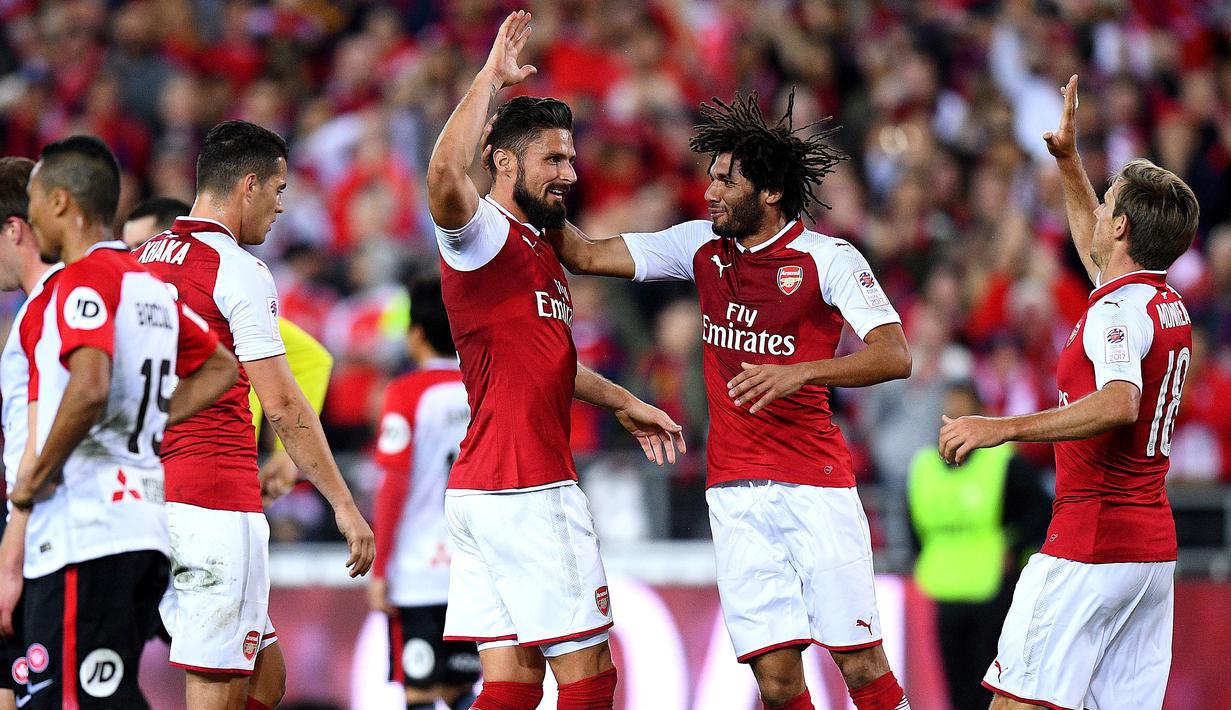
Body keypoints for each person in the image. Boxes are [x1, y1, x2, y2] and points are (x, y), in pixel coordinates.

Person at [547, 91, 914, 710]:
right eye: (711, 178)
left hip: (816, 486)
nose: (710, 192)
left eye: (725, 181)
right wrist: (539, 193)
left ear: (770, 192)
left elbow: (895, 354)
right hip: (734, 492)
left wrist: (802, 373)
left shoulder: (828, 260)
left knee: (859, 663)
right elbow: (585, 253)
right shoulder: (699, 246)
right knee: (776, 680)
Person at [426, 11, 685, 710]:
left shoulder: (541, 246)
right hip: (529, 485)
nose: (569, 174)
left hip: (483, 490)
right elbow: (444, 172)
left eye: (570, 159)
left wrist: (623, 400)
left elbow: (546, 360)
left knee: (511, 686)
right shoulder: (482, 234)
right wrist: (490, 77)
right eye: (553, 160)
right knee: (590, 678)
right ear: (505, 163)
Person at [939, 75, 1200, 710]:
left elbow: (1119, 402)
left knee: (1016, 703)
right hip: (1148, 555)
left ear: (1123, 226)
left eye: (1108, 203)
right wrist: (1069, 162)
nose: (1099, 210)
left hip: (1090, 541)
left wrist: (1002, 427)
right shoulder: (1161, 304)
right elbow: (1096, 250)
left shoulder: (1115, 314)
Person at [132, 121, 375, 710]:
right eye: (278, 189)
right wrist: (344, 504)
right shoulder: (236, 268)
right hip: (213, 497)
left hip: (148, 496)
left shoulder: (140, 260)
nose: (281, 206)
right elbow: (285, 405)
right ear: (249, 185)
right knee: (217, 687)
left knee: (266, 677)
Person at [8, 135, 237, 709]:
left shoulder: (78, 282)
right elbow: (219, 368)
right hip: (144, 525)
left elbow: (89, 386)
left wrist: (33, 480)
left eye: (33, 202)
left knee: (75, 700)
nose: (30, 219)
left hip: (85, 528)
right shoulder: (147, 285)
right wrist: (149, 419)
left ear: (60, 202)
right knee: (102, 691)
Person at [121, 196, 335, 506]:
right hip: (153, 471)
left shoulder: (225, 302)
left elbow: (312, 359)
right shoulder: (139, 307)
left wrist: (285, 454)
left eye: (141, 245)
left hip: (215, 468)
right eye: (129, 249)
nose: (137, 259)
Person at [368, 276, 479, 710]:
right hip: (473, 566)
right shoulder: (480, 387)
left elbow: (393, 486)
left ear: (415, 335)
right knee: (461, 689)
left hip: (417, 569)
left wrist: (380, 569)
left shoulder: (405, 393)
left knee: (421, 692)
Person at [907, 382, 1050, 710]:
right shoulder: (924, 466)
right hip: (945, 590)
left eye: (963, 414)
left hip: (993, 590)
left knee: (990, 685)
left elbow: (1041, 510)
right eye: (950, 415)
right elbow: (912, 520)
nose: (955, 422)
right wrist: (923, 559)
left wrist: (1014, 549)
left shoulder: (1003, 463)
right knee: (956, 687)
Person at [0, 156, 59, 710]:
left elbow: (42, 435)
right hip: (34, 518)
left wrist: (11, 552)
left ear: (14, 229)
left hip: (44, 527)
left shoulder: (50, 306)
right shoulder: (37, 307)